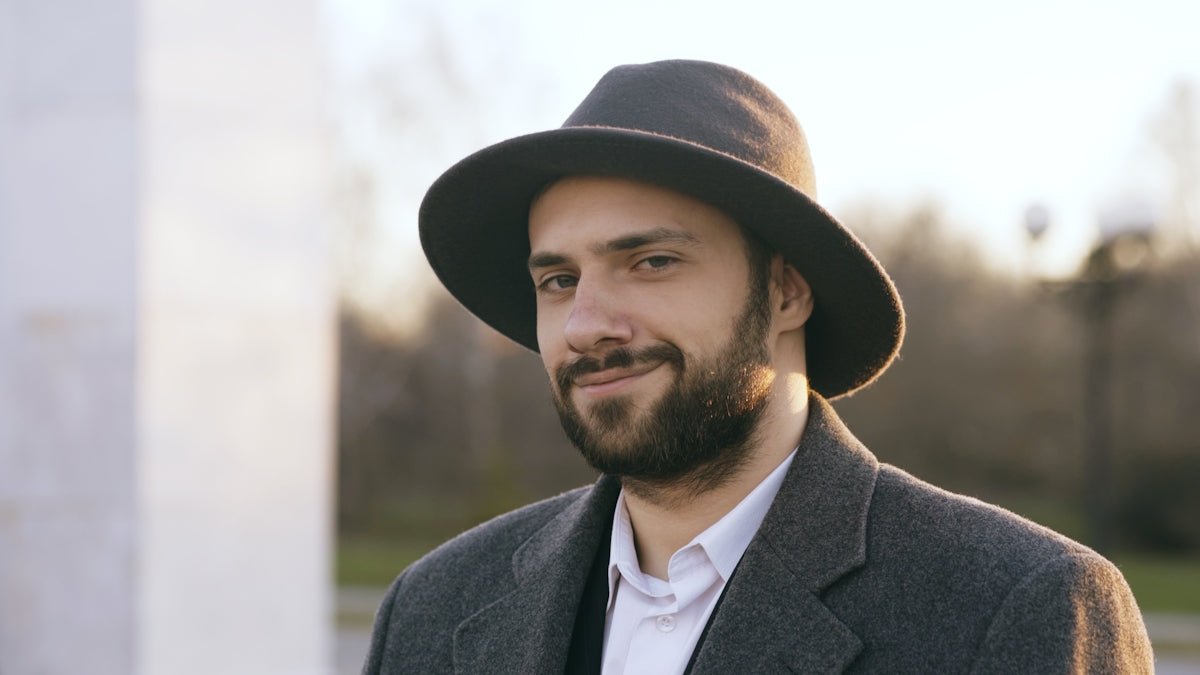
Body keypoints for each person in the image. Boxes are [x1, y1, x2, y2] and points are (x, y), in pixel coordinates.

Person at [363, 60, 1153, 674]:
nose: (586, 324)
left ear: (788, 289)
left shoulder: (1015, 607)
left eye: (652, 261)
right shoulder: (432, 610)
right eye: (559, 279)